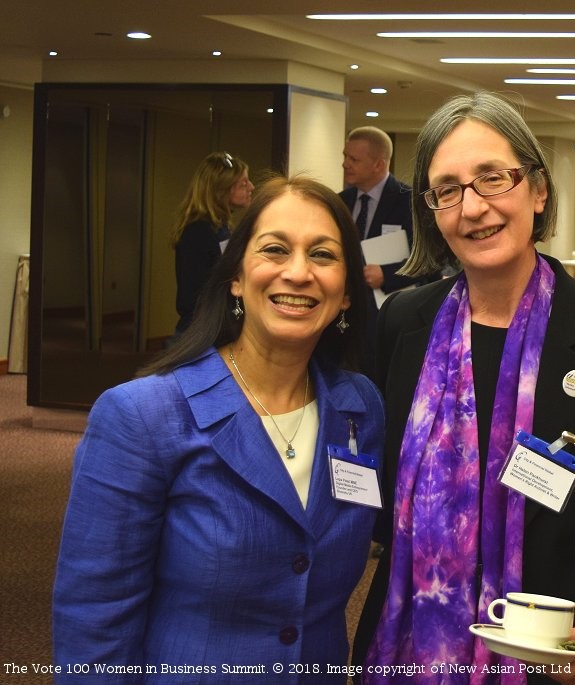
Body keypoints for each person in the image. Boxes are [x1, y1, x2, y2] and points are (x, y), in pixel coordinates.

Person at [353, 91, 575, 684]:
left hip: (547, 656)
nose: (472, 208)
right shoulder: (402, 325)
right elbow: (371, 495)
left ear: (538, 189)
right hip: (403, 651)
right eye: (448, 189)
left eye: (492, 179)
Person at [52, 175, 383, 683]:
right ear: (235, 277)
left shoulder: (359, 408)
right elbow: (94, 619)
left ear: (346, 295)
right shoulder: (142, 415)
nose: (298, 272)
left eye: (322, 255)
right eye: (275, 249)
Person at [170, 150, 254, 339]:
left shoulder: (221, 227)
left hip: (217, 328)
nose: (251, 187)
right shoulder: (197, 232)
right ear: (222, 190)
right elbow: (190, 300)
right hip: (199, 334)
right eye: (243, 183)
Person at [340, 125, 423, 295]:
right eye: (345, 156)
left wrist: (388, 274)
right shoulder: (340, 201)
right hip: (344, 305)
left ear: (379, 165)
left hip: (390, 308)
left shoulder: (412, 202)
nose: (345, 164)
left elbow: (431, 261)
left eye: (354, 160)